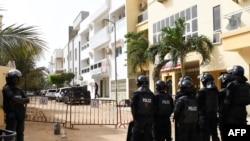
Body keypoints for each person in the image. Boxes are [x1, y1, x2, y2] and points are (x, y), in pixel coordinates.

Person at [2, 69, 30, 141]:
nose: (16, 80)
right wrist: (20, 100)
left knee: (20, 133)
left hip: (20, 114)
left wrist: (16, 101)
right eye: (14, 78)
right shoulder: (6, 88)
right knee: (10, 134)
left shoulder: (19, 89)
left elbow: (27, 100)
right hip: (12, 114)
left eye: (17, 79)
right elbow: (13, 98)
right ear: (10, 79)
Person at [130, 75, 155, 141]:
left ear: (138, 83)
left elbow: (133, 107)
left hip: (139, 118)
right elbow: (154, 107)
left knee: (135, 136)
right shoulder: (151, 94)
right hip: (149, 119)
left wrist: (134, 118)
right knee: (147, 136)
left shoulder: (136, 93)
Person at [197, 72, 220, 141]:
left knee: (205, 135)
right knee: (214, 133)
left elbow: (197, 103)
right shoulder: (216, 90)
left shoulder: (202, 91)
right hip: (214, 115)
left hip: (204, 116)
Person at [217, 73, 234, 141]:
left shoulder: (222, 91)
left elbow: (217, 102)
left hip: (224, 114)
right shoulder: (235, 90)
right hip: (234, 114)